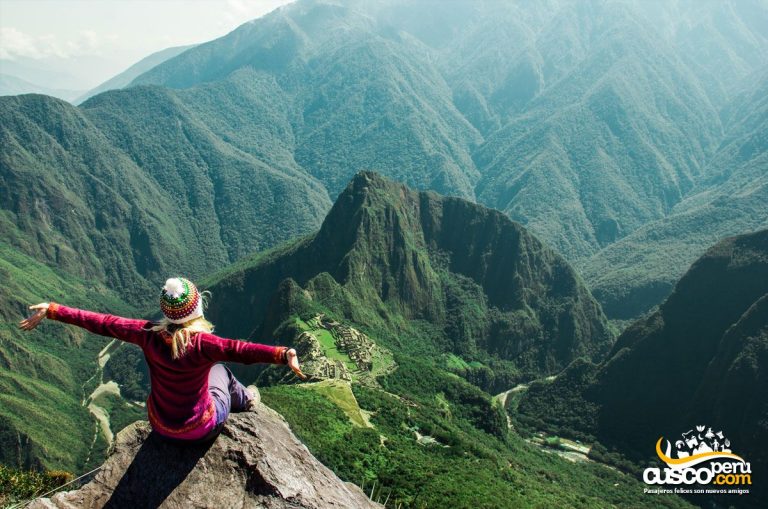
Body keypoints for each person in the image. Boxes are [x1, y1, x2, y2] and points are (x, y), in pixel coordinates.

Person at [19, 277, 306, 443]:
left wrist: (54, 310)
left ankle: (242, 398)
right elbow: (240, 350)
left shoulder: (146, 334)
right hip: (199, 429)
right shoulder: (203, 344)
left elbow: (102, 323)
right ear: (197, 310)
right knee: (221, 371)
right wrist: (283, 354)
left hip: (160, 424)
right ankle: (247, 400)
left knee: (215, 370)